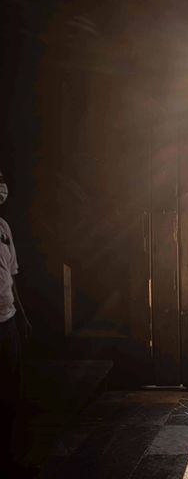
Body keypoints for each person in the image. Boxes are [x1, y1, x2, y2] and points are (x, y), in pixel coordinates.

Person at [0, 171, 34, 477]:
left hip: (7, 319)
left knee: (12, 392)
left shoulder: (4, 228)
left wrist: (20, 314)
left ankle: (9, 457)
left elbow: (12, 276)